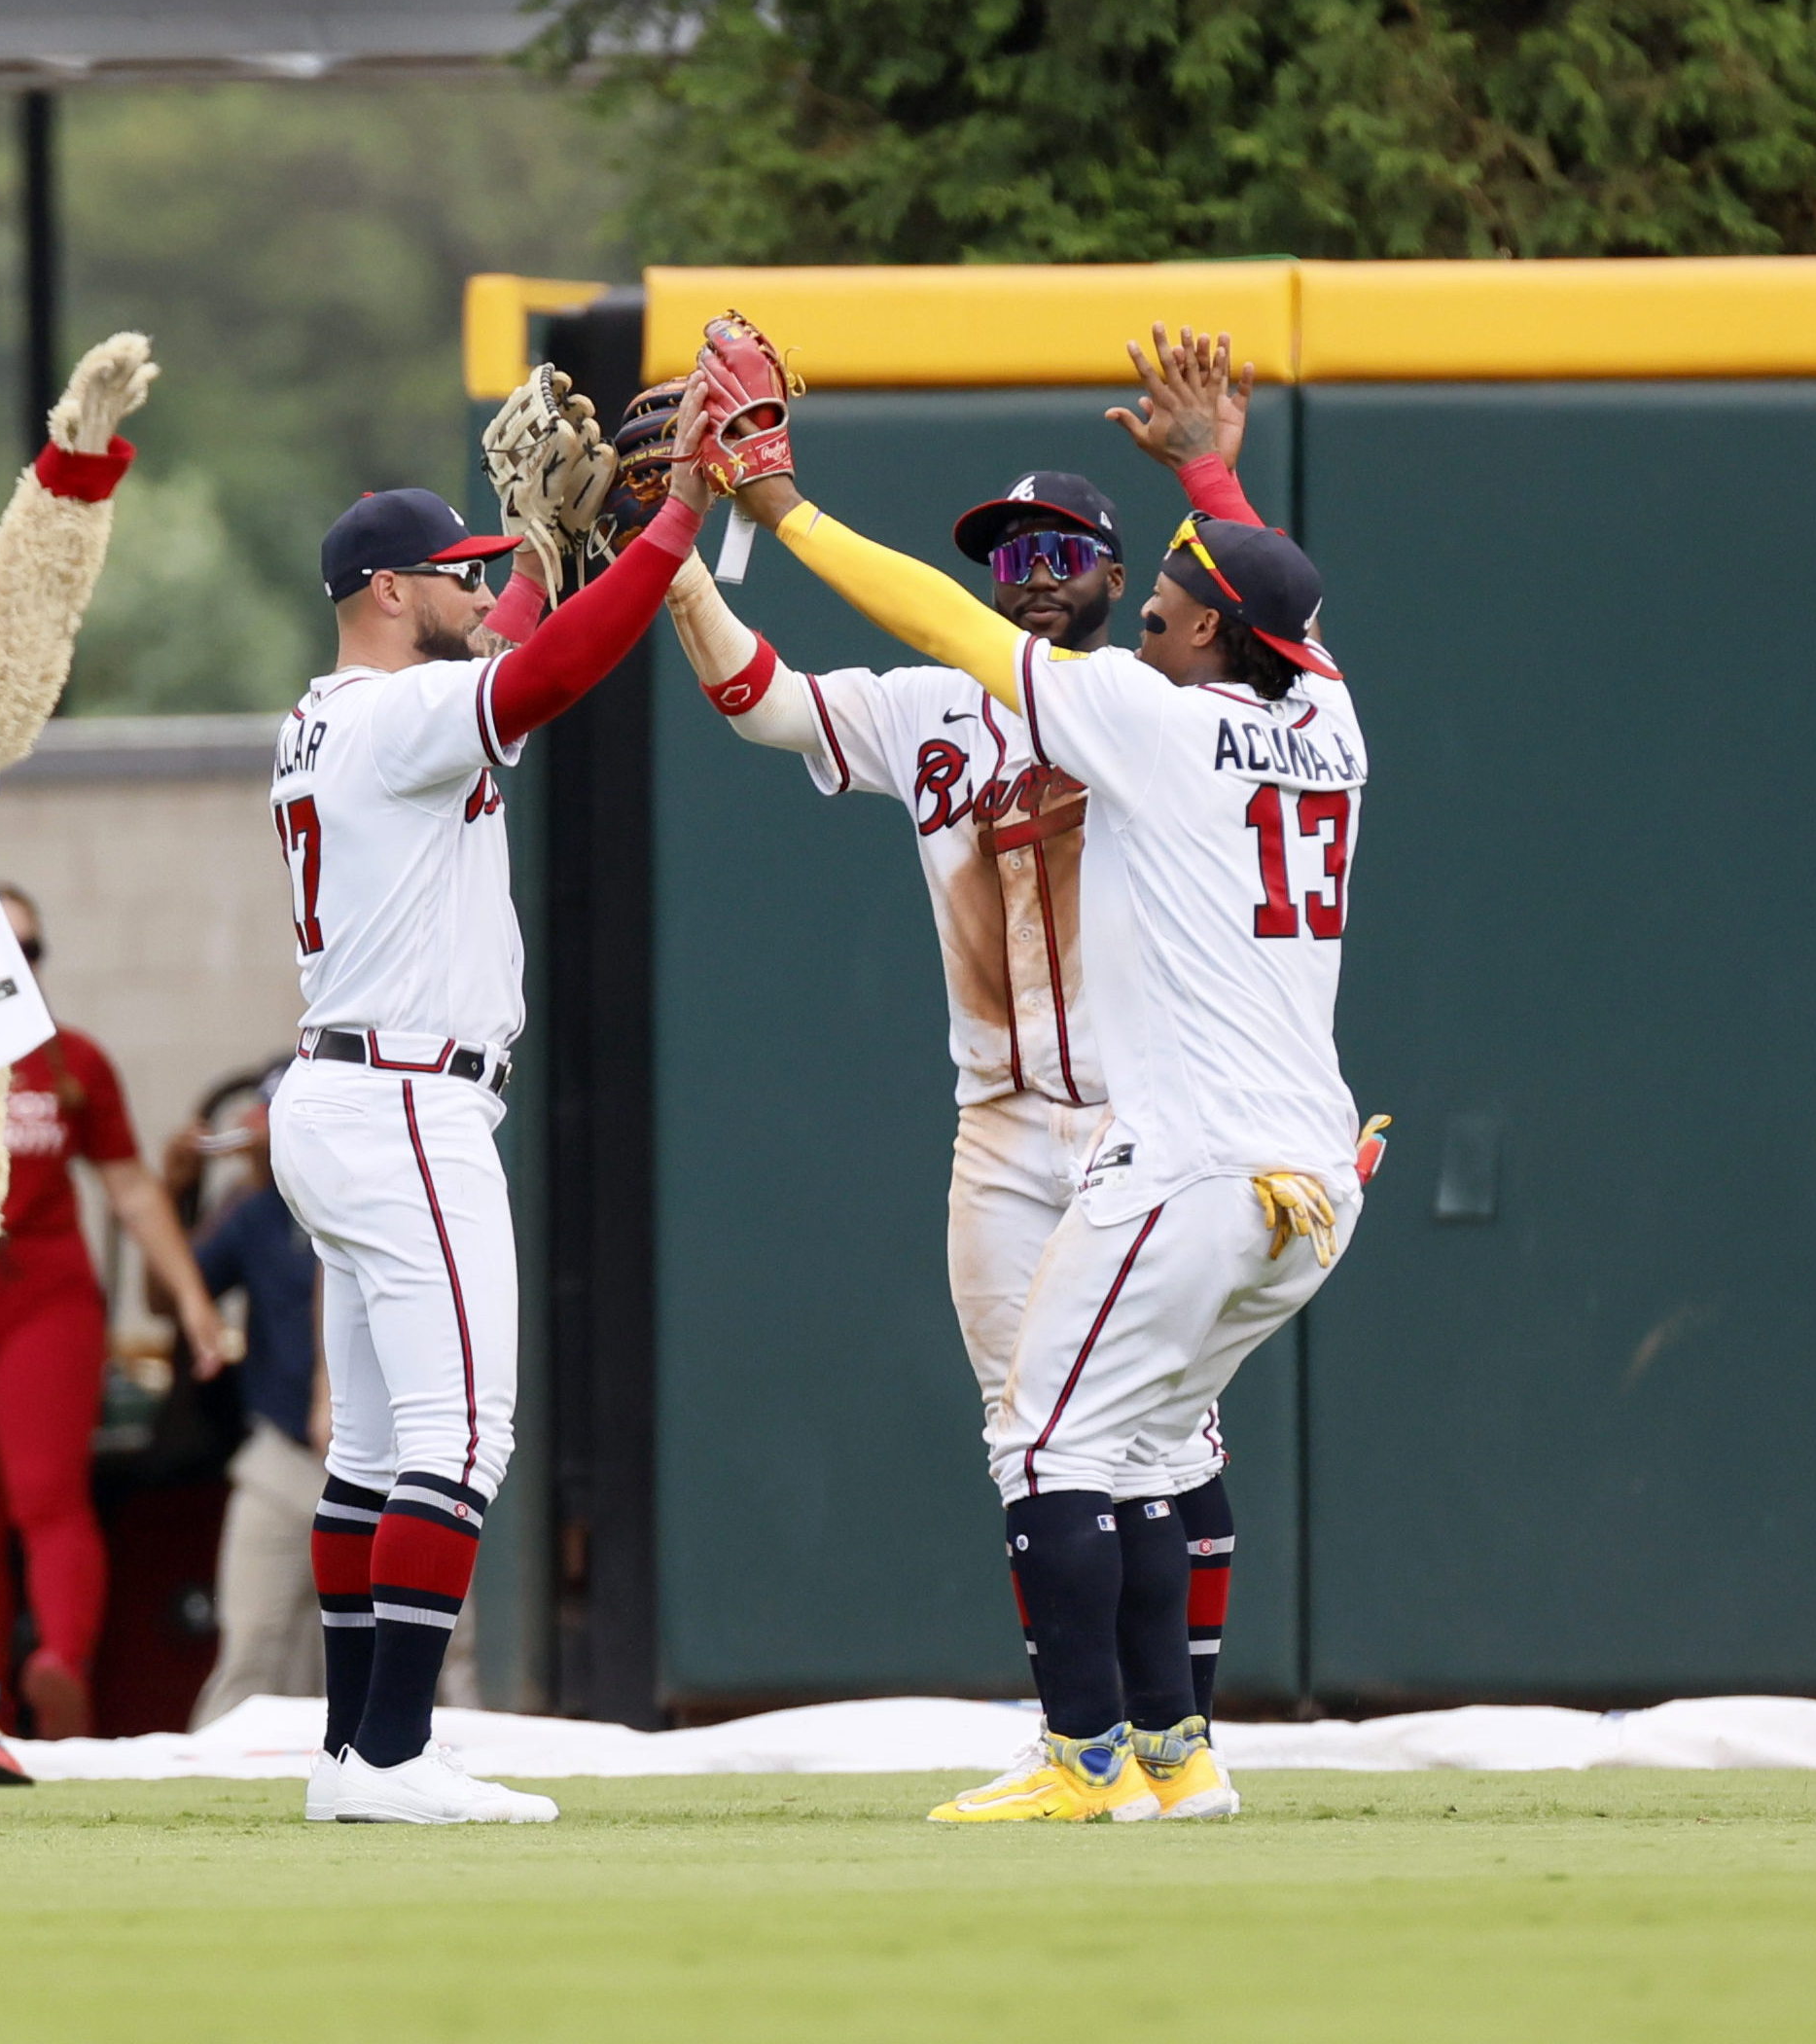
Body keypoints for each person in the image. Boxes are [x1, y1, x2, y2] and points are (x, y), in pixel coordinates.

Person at [700, 318, 1376, 1822]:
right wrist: (1213, 470)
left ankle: (1078, 1758)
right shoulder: (1327, 720)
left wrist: (777, 504)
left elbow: (945, 620)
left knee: (1047, 1440)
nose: (1154, 620)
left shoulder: (1147, 720)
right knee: (1134, 1443)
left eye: (1174, 600)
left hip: (1183, 1158)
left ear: (1198, 631)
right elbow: (1279, 597)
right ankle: (1177, 1764)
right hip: (1315, 1181)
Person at [661, 445, 1247, 1743]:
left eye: (1059, 554)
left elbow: (1274, 657)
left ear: (1111, 574)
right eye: (1006, 557)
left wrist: (1216, 478)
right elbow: (762, 701)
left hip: (1140, 1120)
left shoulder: (1148, 705)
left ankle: (1173, 1738)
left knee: (1164, 1436)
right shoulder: (930, 704)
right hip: (998, 1124)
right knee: (1030, 1440)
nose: (1030, 580)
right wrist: (676, 565)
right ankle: (1096, 1740)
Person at [270, 376, 711, 1825]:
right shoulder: (400, 720)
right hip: (405, 1100)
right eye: (452, 572)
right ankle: (392, 1755)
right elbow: (545, 674)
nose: (478, 585)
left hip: (345, 1091)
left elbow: (512, 647)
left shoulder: (342, 713)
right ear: (386, 592)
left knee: (380, 1449)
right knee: (462, 1439)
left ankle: (356, 1752)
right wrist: (674, 523)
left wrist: (527, 564)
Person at [0, 883, 228, 1739]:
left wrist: (191, 1300)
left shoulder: (72, 1061)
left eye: (31, 949)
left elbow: (129, 1186)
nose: (17, 964)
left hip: (45, 1297)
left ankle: (61, 1666)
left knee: (47, 1493)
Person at [168, 1067, 326, 1726]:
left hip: (384, 1460)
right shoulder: (256, 1207)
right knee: (253, 1650)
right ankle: (207, 1797)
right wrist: (178, 1188)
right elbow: (169, 1293)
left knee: (347, 1663)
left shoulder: (386, 1196)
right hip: (284, 1451)